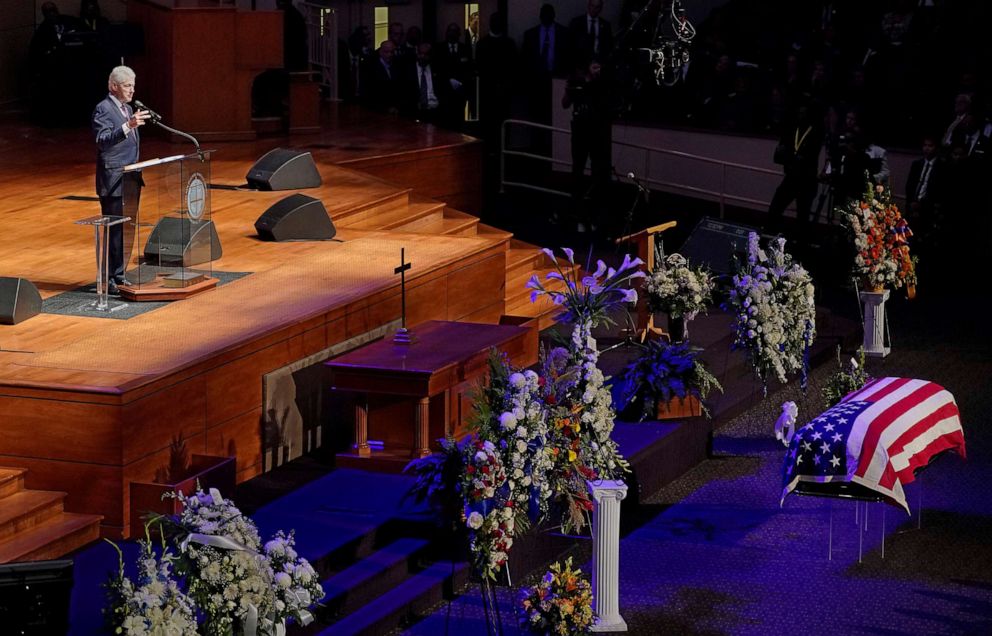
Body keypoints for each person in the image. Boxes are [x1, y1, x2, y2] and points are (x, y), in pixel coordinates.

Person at [93, 66, 149, 295]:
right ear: (113, 86)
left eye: (133, 86)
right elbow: (102, 140)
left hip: (130, 178)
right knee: (114, 232)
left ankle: (120, 273)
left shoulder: (127, 109)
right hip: (114, 179)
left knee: (125, 230)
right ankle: (110, 278)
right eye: (127, 86)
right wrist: (128, 126)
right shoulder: (103, 109)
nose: (131, 90)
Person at [562, 59, 615, 232]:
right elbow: (565, 103)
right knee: (577, 169)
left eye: (599, 66)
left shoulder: (604, 83)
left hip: (598, 132)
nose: (596, 69)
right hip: (580, 131)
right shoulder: (576, 80)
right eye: (593, 66)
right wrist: (573, 90)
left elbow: (609, 104)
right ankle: (576, 211)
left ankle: (596, 213)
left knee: (598, 171)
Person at [767, 103, 824, 236]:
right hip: (792, 177)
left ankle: (801, 247)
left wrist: (792, 156)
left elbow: (809, 155)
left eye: (804, 113)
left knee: (802, 216)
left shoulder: (816, 130)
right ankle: (769, 237)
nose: (801, 115)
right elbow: (780, 153)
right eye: (800, 113)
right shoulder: (793, 128)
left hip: (807, 180)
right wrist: (793, 157)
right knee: (775, 208)